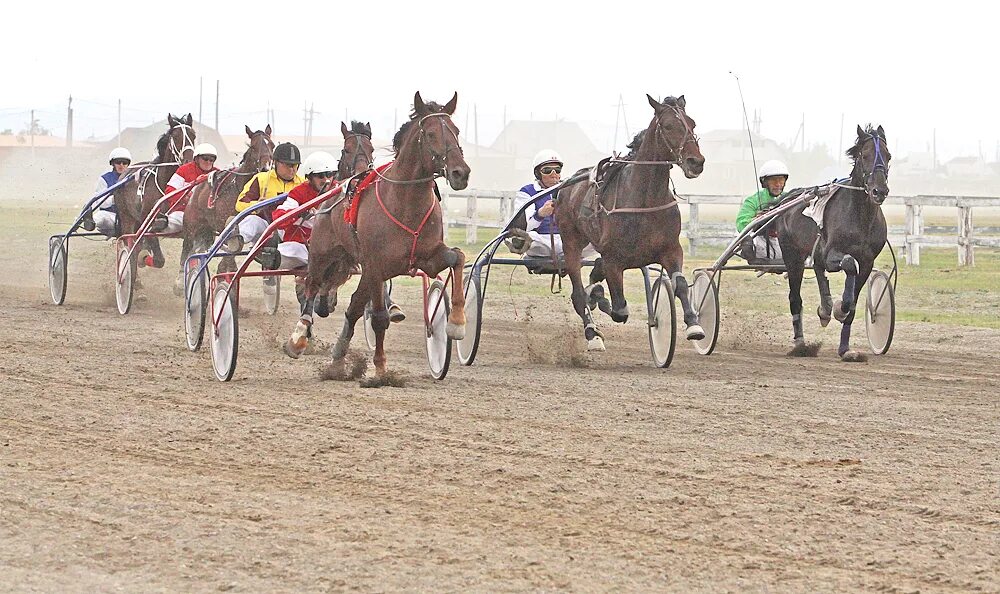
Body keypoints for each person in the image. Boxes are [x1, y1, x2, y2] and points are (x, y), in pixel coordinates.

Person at [273, 151, 405, 320]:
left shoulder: (341, 190)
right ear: (310, 177)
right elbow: (280, 215)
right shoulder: (299, 193)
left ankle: (386, 301)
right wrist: (302, 212)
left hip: (337, 247)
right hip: (305, 247)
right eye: (321, 176)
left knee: (373, 261)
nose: (326, 179)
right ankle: (308, 314)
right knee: (298, 259)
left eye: (330, 174)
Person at [514, 149, 610, 312]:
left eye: (557, 170)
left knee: (604, 241)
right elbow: (521, 227)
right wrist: (540, 214)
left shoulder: (569, 188)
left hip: (570, 243)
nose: (553, 174)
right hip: (542, 243)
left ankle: (594, 282)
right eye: (547, 170)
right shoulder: (527, 192)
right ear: (538, 173)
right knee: (527, 238)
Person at [233, 141, 304, 249]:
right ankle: (236, 239)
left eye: (295, 165)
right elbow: (240, 204)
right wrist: (257, 204)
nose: (292, 169)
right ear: (275, 162)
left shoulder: (303, 184)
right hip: (267, 229)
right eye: (287, 165)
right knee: (253, 220)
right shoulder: (261, 179)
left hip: (292, 231)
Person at [159, 143, 219, 233]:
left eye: (212, 159)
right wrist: (187, 199)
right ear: (196, 159)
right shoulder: (184, 170)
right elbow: (170, 191)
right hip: (182, 212)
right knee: (173, 223)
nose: (208, 162)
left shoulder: (217, 173)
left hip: (207, 215)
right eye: (205, 159)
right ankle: (161, 225)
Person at [737, 159, 788, 263]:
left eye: (781, 180)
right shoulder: (753, 200)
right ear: (765, 183)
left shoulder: (789, 199)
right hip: (761, 241)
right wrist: (756, 219)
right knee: (745, 238)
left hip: (782, 242)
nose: (778, 184)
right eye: (774, 181)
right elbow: (741, 224)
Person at [83, 147, 131, 236]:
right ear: (113, 163)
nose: (121, 165)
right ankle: (89, 221)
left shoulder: (132, 178)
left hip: (129, 217)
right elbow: (101, 203)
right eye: (118, 162)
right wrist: (116, 199)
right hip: (110, 217)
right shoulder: (105, 179)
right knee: (102, 216)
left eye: (124, 163)